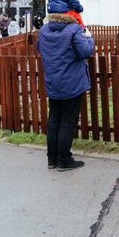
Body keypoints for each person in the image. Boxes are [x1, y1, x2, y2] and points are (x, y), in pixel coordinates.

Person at [37, 13, 94, 171]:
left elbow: (40, 48)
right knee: (67, 122)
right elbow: (85, 51)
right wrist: (89, 37)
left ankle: (52, 159)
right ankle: (64, 160)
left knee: (54, 121)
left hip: (53, 81)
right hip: (71, 83)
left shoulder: (44, 30)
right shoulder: (74, 29)